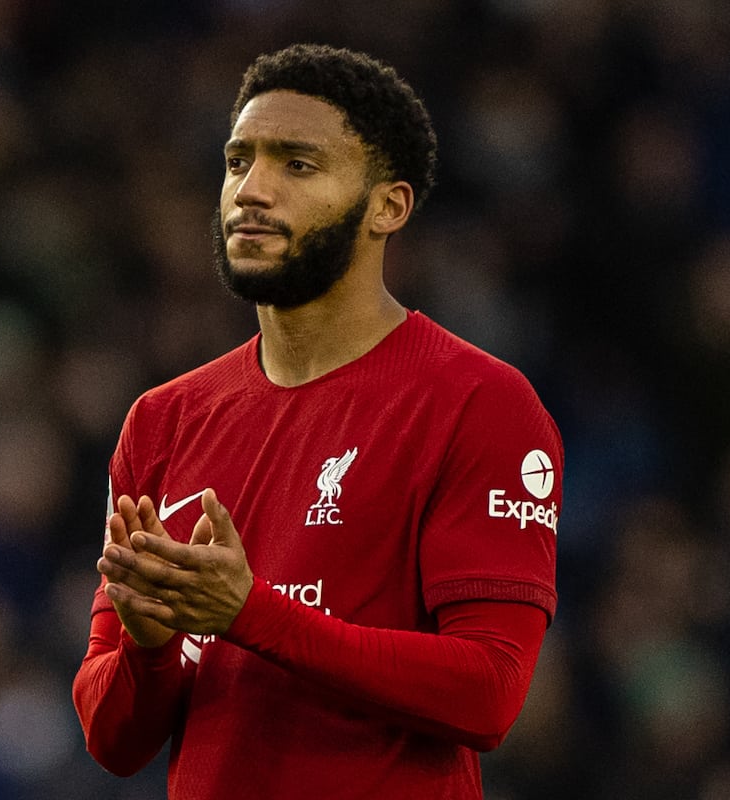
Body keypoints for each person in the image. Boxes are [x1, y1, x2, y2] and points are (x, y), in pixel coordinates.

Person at [73, 43, 563, 799]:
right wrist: (149, 649)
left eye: (297, 165)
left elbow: (489, 694)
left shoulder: (481, 404)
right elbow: (113, 741)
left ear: (388, 206)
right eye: (239, 161)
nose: (252, 191)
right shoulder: (162, 421)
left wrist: (249, 613)